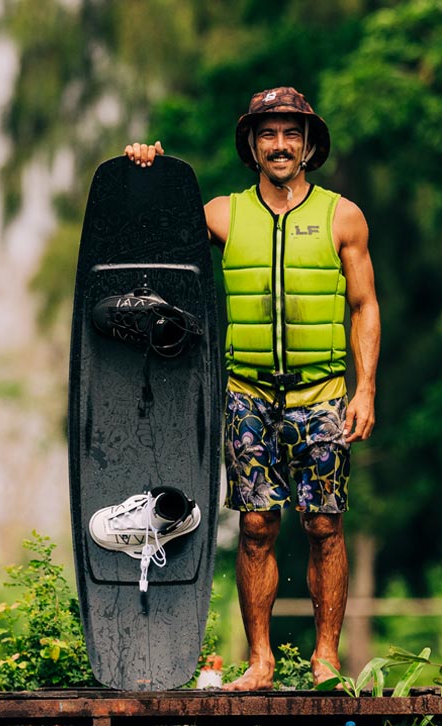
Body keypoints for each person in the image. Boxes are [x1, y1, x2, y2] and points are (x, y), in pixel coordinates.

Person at [125, 86, 380, 691]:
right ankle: (261, 661)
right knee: (258, 525)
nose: (281, 144)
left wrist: (365, 389)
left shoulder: (343, 216)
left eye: (292, 133)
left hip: (321, 396)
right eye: (268, 133)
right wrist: (146, 168)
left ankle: (324, 660)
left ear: (309, 144)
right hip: (246, 395)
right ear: (252, 145)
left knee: (324, 526)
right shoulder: (221, 213)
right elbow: (154, 227)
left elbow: (365, 306)